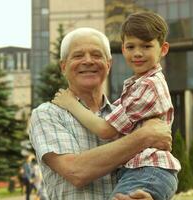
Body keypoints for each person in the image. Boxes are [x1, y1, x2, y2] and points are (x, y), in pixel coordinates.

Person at [29, 26, 173, 200]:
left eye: (96, 55)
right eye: (78, 55)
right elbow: (76, 171)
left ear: (109, 64)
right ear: (63, 66)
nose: (88, 61)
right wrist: (145, 136)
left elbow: (150, 171)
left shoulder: (127, 115)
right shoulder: (48, 114)